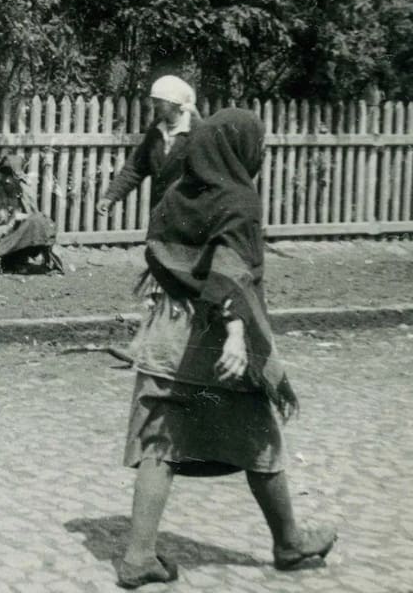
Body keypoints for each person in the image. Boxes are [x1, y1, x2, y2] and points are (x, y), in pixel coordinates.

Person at [115, 109, 335, 588]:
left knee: (161, 444)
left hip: (166, 336)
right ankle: (290, 543)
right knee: (261, 438)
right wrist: (237, 332)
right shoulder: (239, 199)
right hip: (214, 344)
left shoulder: (177, 193)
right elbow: (230, 267)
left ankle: (137, 557)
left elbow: (159, 251)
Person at [98, 75, 199, 218]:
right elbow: (135, 167)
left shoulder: (197, 131)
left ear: (175, 103)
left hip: (191, 214)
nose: (155, 105)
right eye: (155, 101)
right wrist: (111, 196)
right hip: (160, 211)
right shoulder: (156, 131)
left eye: (160, 102)